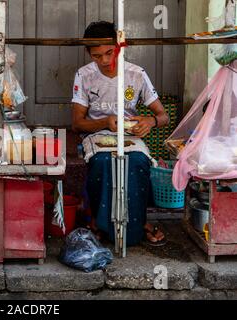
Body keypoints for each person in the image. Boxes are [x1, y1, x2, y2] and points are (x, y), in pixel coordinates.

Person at [72, 21, 170, 246]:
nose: (105, 61)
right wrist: (105, 121)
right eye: (97, 56)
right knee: (102, 162)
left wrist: (150, 120)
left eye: (110, 52)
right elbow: (77, 124)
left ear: (119, 47)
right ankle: (98, 222)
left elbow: (164, 116)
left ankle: (139, 222)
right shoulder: (84, 75)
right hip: (97, 135)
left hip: (130, 136)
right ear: (89, 53)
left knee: (137, 161)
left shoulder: (136, 73)